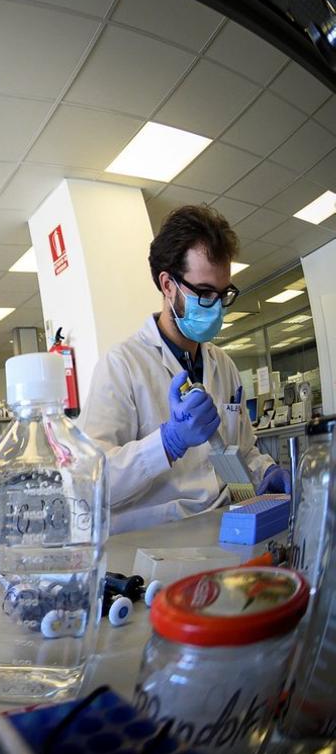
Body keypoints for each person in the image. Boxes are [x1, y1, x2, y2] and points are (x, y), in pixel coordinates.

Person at [80, 205, 289, 534]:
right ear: (168, 285)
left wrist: (265, 472)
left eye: (223, 294)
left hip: (225, 525)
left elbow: (242, 450)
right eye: (205, 293)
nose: (217, 307)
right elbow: (91, 485)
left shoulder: (224, 365)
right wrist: (168, 442)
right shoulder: (121, 365)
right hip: (156, 542)